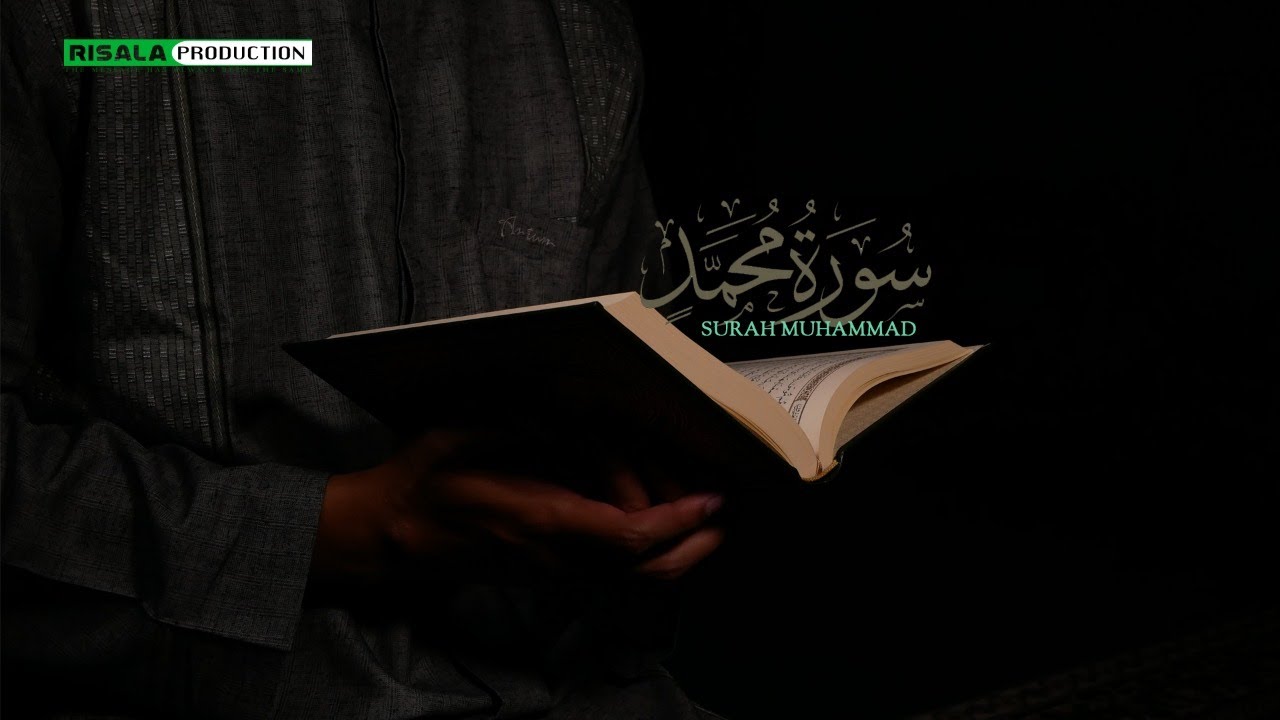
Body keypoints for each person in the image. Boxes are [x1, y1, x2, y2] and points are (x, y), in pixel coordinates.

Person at [1, 1, 728, 717]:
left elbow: (630, 384)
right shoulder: (73, 26)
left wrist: (652, 500)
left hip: (588, 691)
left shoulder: (578, 27)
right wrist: (346, 530)